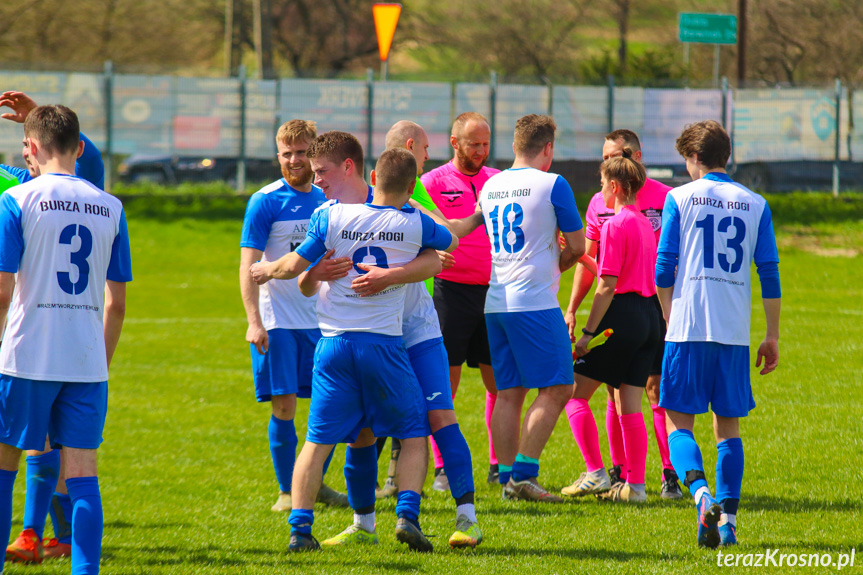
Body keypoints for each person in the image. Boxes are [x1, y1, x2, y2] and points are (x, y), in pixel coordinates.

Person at [250, 148, 458, 552]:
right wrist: (417, 216)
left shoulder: (329, 215)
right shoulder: (412, 221)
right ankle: (407, 516)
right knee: (414, 433)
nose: (319, 179)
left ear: (371, 173)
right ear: (411, 184)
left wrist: (265, 269)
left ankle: (300, 528)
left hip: (333, 346)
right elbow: (448, 240)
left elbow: (293, 266)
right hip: (383, 344)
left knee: (317, 441)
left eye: (322, 172)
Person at [302, 129, 482, 549]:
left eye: (322, 173)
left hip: (415, 331)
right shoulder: (330, 212)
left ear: (355, 169)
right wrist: (312, 276)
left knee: (439, 417)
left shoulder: (403, 201)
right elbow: (307, 282)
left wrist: (394, 273)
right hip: (365, 337)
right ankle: (363, 524)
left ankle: (467, 518)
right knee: (361, 429)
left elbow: (441, 252)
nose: (319, 181)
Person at [0, 104, 132, 575]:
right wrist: (100, 361)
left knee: (4, 467)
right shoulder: (111, 206)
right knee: (83, 476)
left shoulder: (17, 199)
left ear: (30, 148)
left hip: (26, 356)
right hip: (86, 363)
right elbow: (116, 304)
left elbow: (2, 291)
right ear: (79, 147)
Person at [656, 120, 780, 547]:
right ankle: (726, 521)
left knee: (677, 424)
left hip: (688, 326)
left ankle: (700, 494)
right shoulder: (756, 203)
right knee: (728, 428)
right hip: (733, 333)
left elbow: (662, 270)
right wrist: (773, 335)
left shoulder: (679, 198)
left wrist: (671, 321)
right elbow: (770, 273)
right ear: (726, 155)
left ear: (693, 157)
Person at [459, 114, 585, 501]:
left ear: (514, 146)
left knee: (509, 391)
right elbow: (578, 248)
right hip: (534, 302)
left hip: (495, 302)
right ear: (548, 148)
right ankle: (523, 476)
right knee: (561, 385)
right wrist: (559, 261)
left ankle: (506, 477)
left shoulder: (491, 184)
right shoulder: (553, 185)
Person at [563, 129, 683, 499]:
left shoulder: (614, 224)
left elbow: (607, 284)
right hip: (651, 316)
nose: (598, 188)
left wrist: (586, 334)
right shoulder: (647, 225)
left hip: (625, 316)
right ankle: (635, 486)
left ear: (614, 186)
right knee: (628, 400)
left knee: (570, 393)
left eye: (601, 181)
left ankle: (596, 472)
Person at [239, 119, 347, 513]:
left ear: (314, 152)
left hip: (326, 321)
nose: (295, 160)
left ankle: (314, 484)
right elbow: (248, 266)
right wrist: (254, 320)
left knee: (329, 407)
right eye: (287, 153)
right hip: (279, 321)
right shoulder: (265, 201)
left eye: (303, 152)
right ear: (278, 155)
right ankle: (288, 490)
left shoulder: (330, 198)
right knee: (284, 407)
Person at [421, 112, 501, 488]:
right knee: (444, 385)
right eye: (474, 144)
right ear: (455, 143)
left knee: (500, 385)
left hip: (495, 292)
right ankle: (441, 468)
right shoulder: (431, 182)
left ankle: (498, 463)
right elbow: (419, 228)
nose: (481, 151)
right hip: (450, 293)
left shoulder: (498, 182)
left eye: (485, 143)